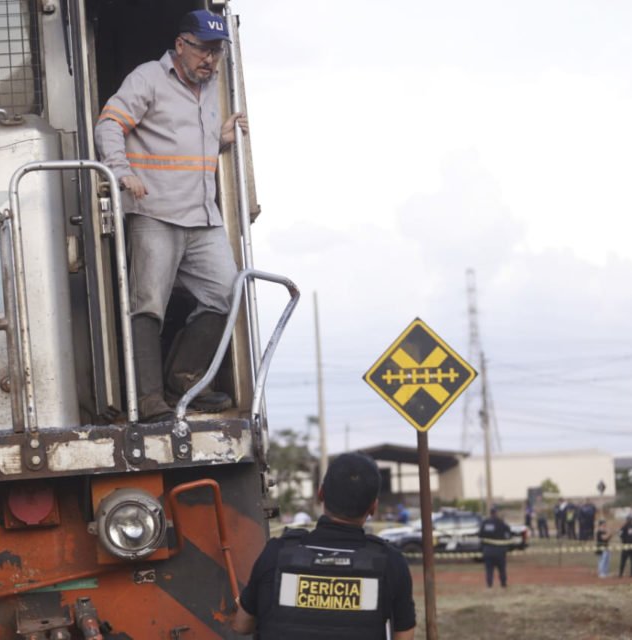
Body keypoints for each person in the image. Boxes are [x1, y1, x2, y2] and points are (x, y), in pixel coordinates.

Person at [95, 9, 248, 422]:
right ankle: (148, 402)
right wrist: (121, 173)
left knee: (227, 293)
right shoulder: (148, 78)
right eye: (203, 50)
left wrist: (221, 140)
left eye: (216, 52)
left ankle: (183, 380)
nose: (210, 60)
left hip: (203, 216)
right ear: (180, 45)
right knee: (148, 305)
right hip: (155, 212)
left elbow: (182, 147)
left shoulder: (212, 85)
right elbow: (109, 124)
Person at [232, 453, 416, 639]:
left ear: (321, 494)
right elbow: (404, 635)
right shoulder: (391, 563)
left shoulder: (276, 553)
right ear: (373, 507)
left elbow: (241, 625)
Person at [478, 506, 513, 588]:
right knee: (501, 569)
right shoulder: (501, 523)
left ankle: (489, 585)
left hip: (488, 550)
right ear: (496, 513)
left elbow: (480, 535)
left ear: (490, 513)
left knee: (489, 569)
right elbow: (508, 535)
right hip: (499, 550)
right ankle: (503, 584)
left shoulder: (485, 523)